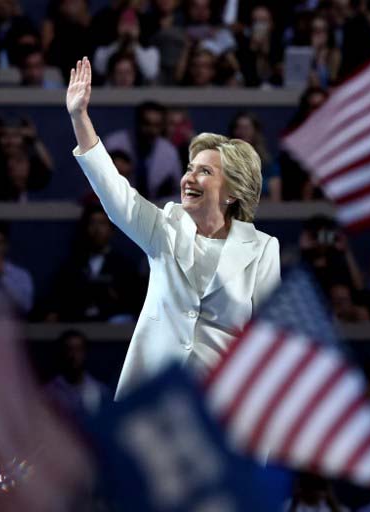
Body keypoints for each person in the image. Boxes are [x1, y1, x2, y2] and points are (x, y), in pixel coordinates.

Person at [67, 57, 281, 398]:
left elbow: (269, 340)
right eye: (189, 168)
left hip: (219, 410)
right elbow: (114, 191)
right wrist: (80, 117)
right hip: (153, 401)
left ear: (233, 192)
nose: (189, 178)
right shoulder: (167, 227)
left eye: (205, 172)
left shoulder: (263, 248)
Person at [103, 100, 183, 200]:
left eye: (156, 125)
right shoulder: (114, 144)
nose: (151, 130)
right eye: (147, 124)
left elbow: (178, 191)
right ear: (137, 123)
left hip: (154, 208)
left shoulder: (169, 151)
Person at [45, 329, 113, 417]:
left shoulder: (101, 392)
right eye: (69, 349)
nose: (73, 355)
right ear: (61, 352)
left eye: (78, 349)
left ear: (85, 353)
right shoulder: (48, 393)